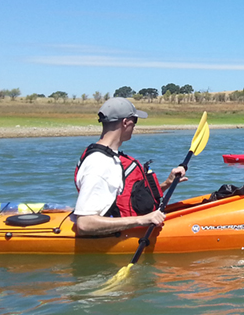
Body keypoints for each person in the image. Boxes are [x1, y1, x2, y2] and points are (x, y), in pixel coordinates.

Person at [73, 97, 187, 235]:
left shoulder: (110, 157)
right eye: (135, 121)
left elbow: (126, 198)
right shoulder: (99, 163)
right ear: (125, 122)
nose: (135, 126)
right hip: (111, 238)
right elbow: (85, 224)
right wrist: (141, 220)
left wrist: (167, 183)